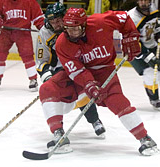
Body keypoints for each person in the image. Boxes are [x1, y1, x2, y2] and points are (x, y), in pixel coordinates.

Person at [54, 7, 160, 156]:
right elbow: (76, 70)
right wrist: (89, 84)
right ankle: (56, 131)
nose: (71, 32)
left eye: (75, 28)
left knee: (119, 103)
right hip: (82, 75)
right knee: (55, 94)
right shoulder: (62, 43)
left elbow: (124, 17)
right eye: (68, 28)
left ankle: (145, 138)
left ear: (84, 25)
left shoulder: (100, 22)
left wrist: (130, 35)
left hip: (105, 71)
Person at [35, 2, 106, 153]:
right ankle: (58, 131)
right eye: (52, 21)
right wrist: (48, 77)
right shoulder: (45, 33)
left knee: (84, 90)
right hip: (59, 71)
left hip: (80, 67)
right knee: (56, 96)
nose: (56, 24)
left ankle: (94, 120)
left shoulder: (75, 27)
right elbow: (41, 61)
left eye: (59, 20)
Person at [127, 0, 160, 110]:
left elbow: (155, 23)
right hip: (133, 49)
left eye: (146, 1)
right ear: (137, 2)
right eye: (141, 1)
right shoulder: (132, 17)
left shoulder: (153, 9)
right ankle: (154, 99)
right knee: (149, 71)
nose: (144, 3)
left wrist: (158, 32)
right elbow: (131, 40)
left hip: (151, 45)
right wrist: (145, 55)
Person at [0, 0, 44, 91]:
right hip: (6, 31)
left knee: (27, 55)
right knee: (0, 53)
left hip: (23, 32)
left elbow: (38, 17)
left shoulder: (30, 1)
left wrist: (42, 28)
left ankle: (33, 79)